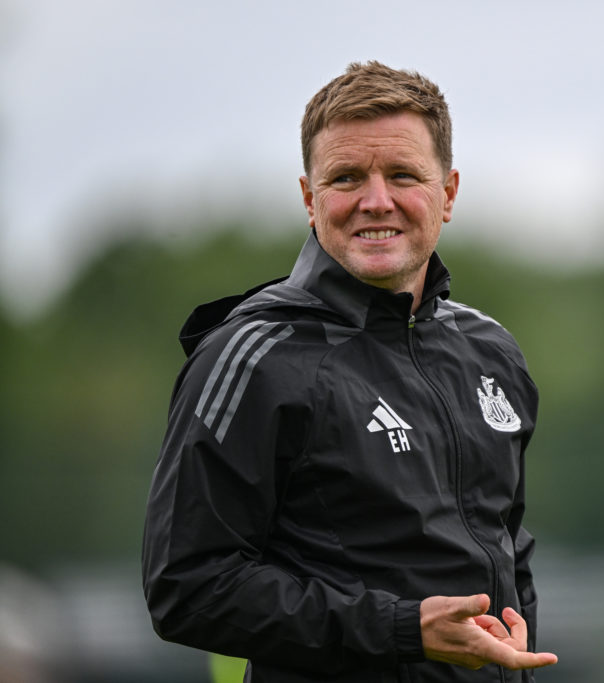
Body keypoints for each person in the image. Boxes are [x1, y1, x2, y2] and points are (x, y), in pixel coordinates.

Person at [142, 61, 557, 683]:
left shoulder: (491, 350)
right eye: (346, 177)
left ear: (448, 192)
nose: (375, 200)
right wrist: (402, 630)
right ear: (311, 199)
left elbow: (503, 543)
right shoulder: (253, 356)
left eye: (402, 175)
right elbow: (188, 587)